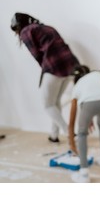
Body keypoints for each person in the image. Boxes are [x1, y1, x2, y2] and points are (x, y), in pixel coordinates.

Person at [10, 12, 80, 143]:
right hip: (71, 65)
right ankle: (54, 135)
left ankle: (68, 131)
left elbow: (36, 54)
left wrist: (45, 69)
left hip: (54, 66)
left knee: (47, 104)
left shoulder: (26, 31)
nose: (17, 33)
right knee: (55, 101)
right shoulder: (46, 27)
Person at [68, 65, 100, 183]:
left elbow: (71, 120)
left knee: (82, 133)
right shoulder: (98, 74)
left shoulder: (77, 86)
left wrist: (72, 143)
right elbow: (98, 93)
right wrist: (89, 118)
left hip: (89, 104)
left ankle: (84, 174)